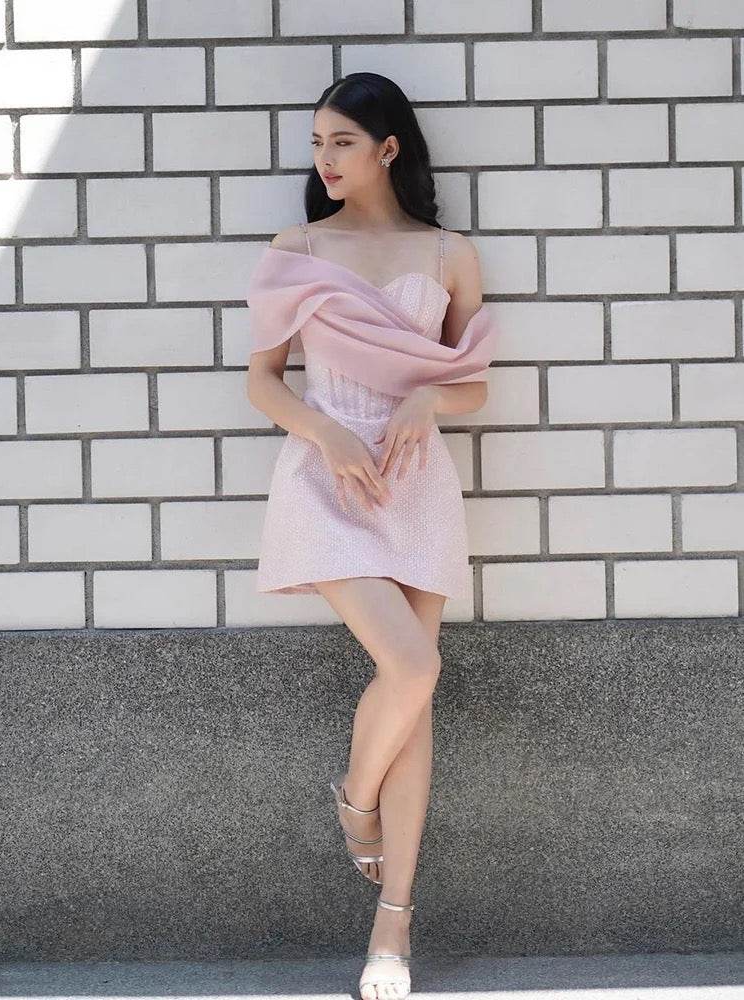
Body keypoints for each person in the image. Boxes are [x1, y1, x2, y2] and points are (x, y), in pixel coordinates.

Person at [246, 72, 497, 1000]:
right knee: (414, 665)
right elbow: (262, 381)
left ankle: (392, 927)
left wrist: (431, 400)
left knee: (414, 694)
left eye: (342, 142)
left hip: (415, 480)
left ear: (388, 149)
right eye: (317, 143)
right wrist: (326, 430)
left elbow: (474, 380)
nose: (324, 159)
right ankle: (357, 803)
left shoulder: (449, 254)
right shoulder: (299, 247)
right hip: (327, 475)